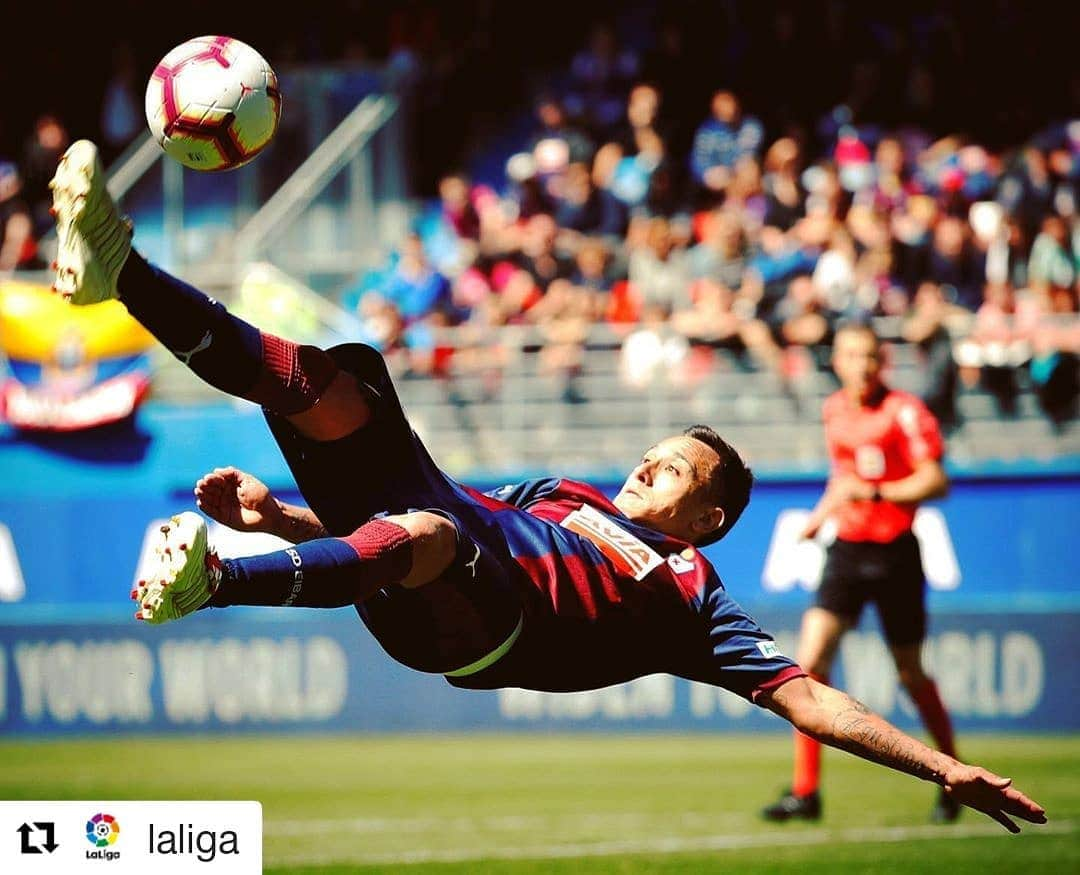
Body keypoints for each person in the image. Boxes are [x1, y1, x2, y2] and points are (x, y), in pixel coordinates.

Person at [51, 141, 1046, 834]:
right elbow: (380, 539)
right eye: (656, 448)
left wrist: (941, 764)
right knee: (331, 385)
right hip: (431, 543)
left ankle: (215, 582)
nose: (649, 460)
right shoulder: (563, 490)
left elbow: (812, 695)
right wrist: (282, 514)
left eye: (677, 468)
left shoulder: (695, 596)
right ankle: (121, 268)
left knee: (430, 532)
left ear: (708, 516)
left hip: (488, 623)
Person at [763, 321, 962, 824]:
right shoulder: (834, 410)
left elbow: (936, 481)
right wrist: (819, 518)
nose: (862, 365)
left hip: (895, 552)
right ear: (839, 360)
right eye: (852, 355)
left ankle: (954, 778)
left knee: (911, 674)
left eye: (870, 356)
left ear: (883, 362)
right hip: (847, 549)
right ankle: (806, 792)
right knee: (808, 665)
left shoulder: (905, 412)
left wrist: (876, 494)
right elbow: (844, 478)